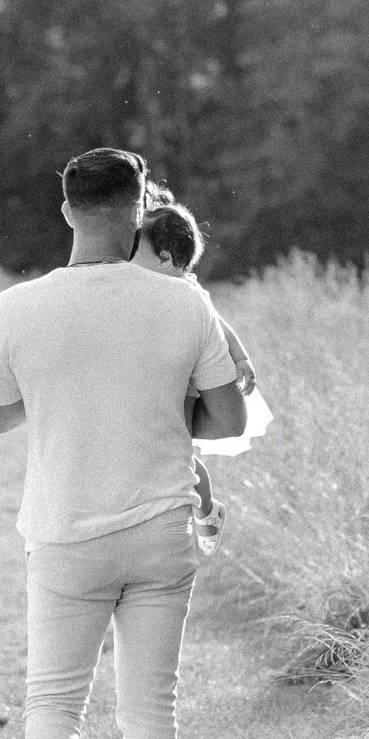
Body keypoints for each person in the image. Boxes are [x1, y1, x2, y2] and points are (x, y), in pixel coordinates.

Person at [0, 148, 245, 739]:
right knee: (149, 709)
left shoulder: (17, 308)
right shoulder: (184, 303)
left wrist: (69, 395)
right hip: (162, 527)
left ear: (66, 212)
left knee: (52, 705)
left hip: (65, 532)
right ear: (138, 211)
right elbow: (227, 420)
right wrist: (162, 411)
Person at [134, 194, 270, 556]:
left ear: (164, 259)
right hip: (158, 379)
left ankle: (206, 510)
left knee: (181, 458)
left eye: (138, 251)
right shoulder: (146, 286)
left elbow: (219, 324)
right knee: (165, 453)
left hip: (187, 385)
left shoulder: (187, 290)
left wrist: (240, 357)